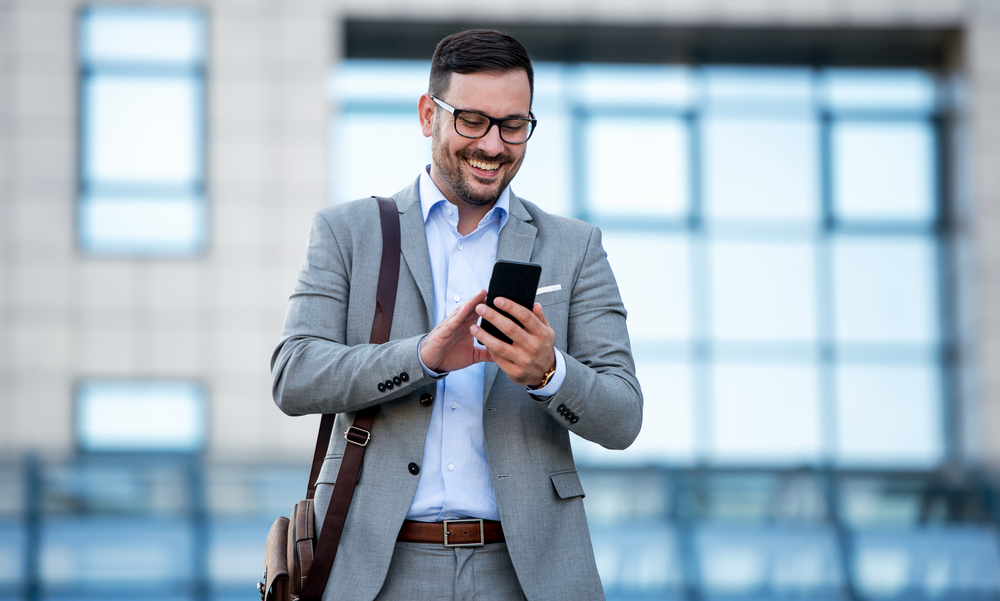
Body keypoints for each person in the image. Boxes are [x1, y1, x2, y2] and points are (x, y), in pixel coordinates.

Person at [271, 29, 643, 601]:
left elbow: (623, 418)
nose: (493, 145)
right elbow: (293, 375)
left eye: (513, 125)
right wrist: (422, 357)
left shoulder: (575, 247)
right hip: (376, 568)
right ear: (428, 115)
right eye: (472, 120)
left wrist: (549, 373)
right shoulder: (347, 234)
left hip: (527, 573)